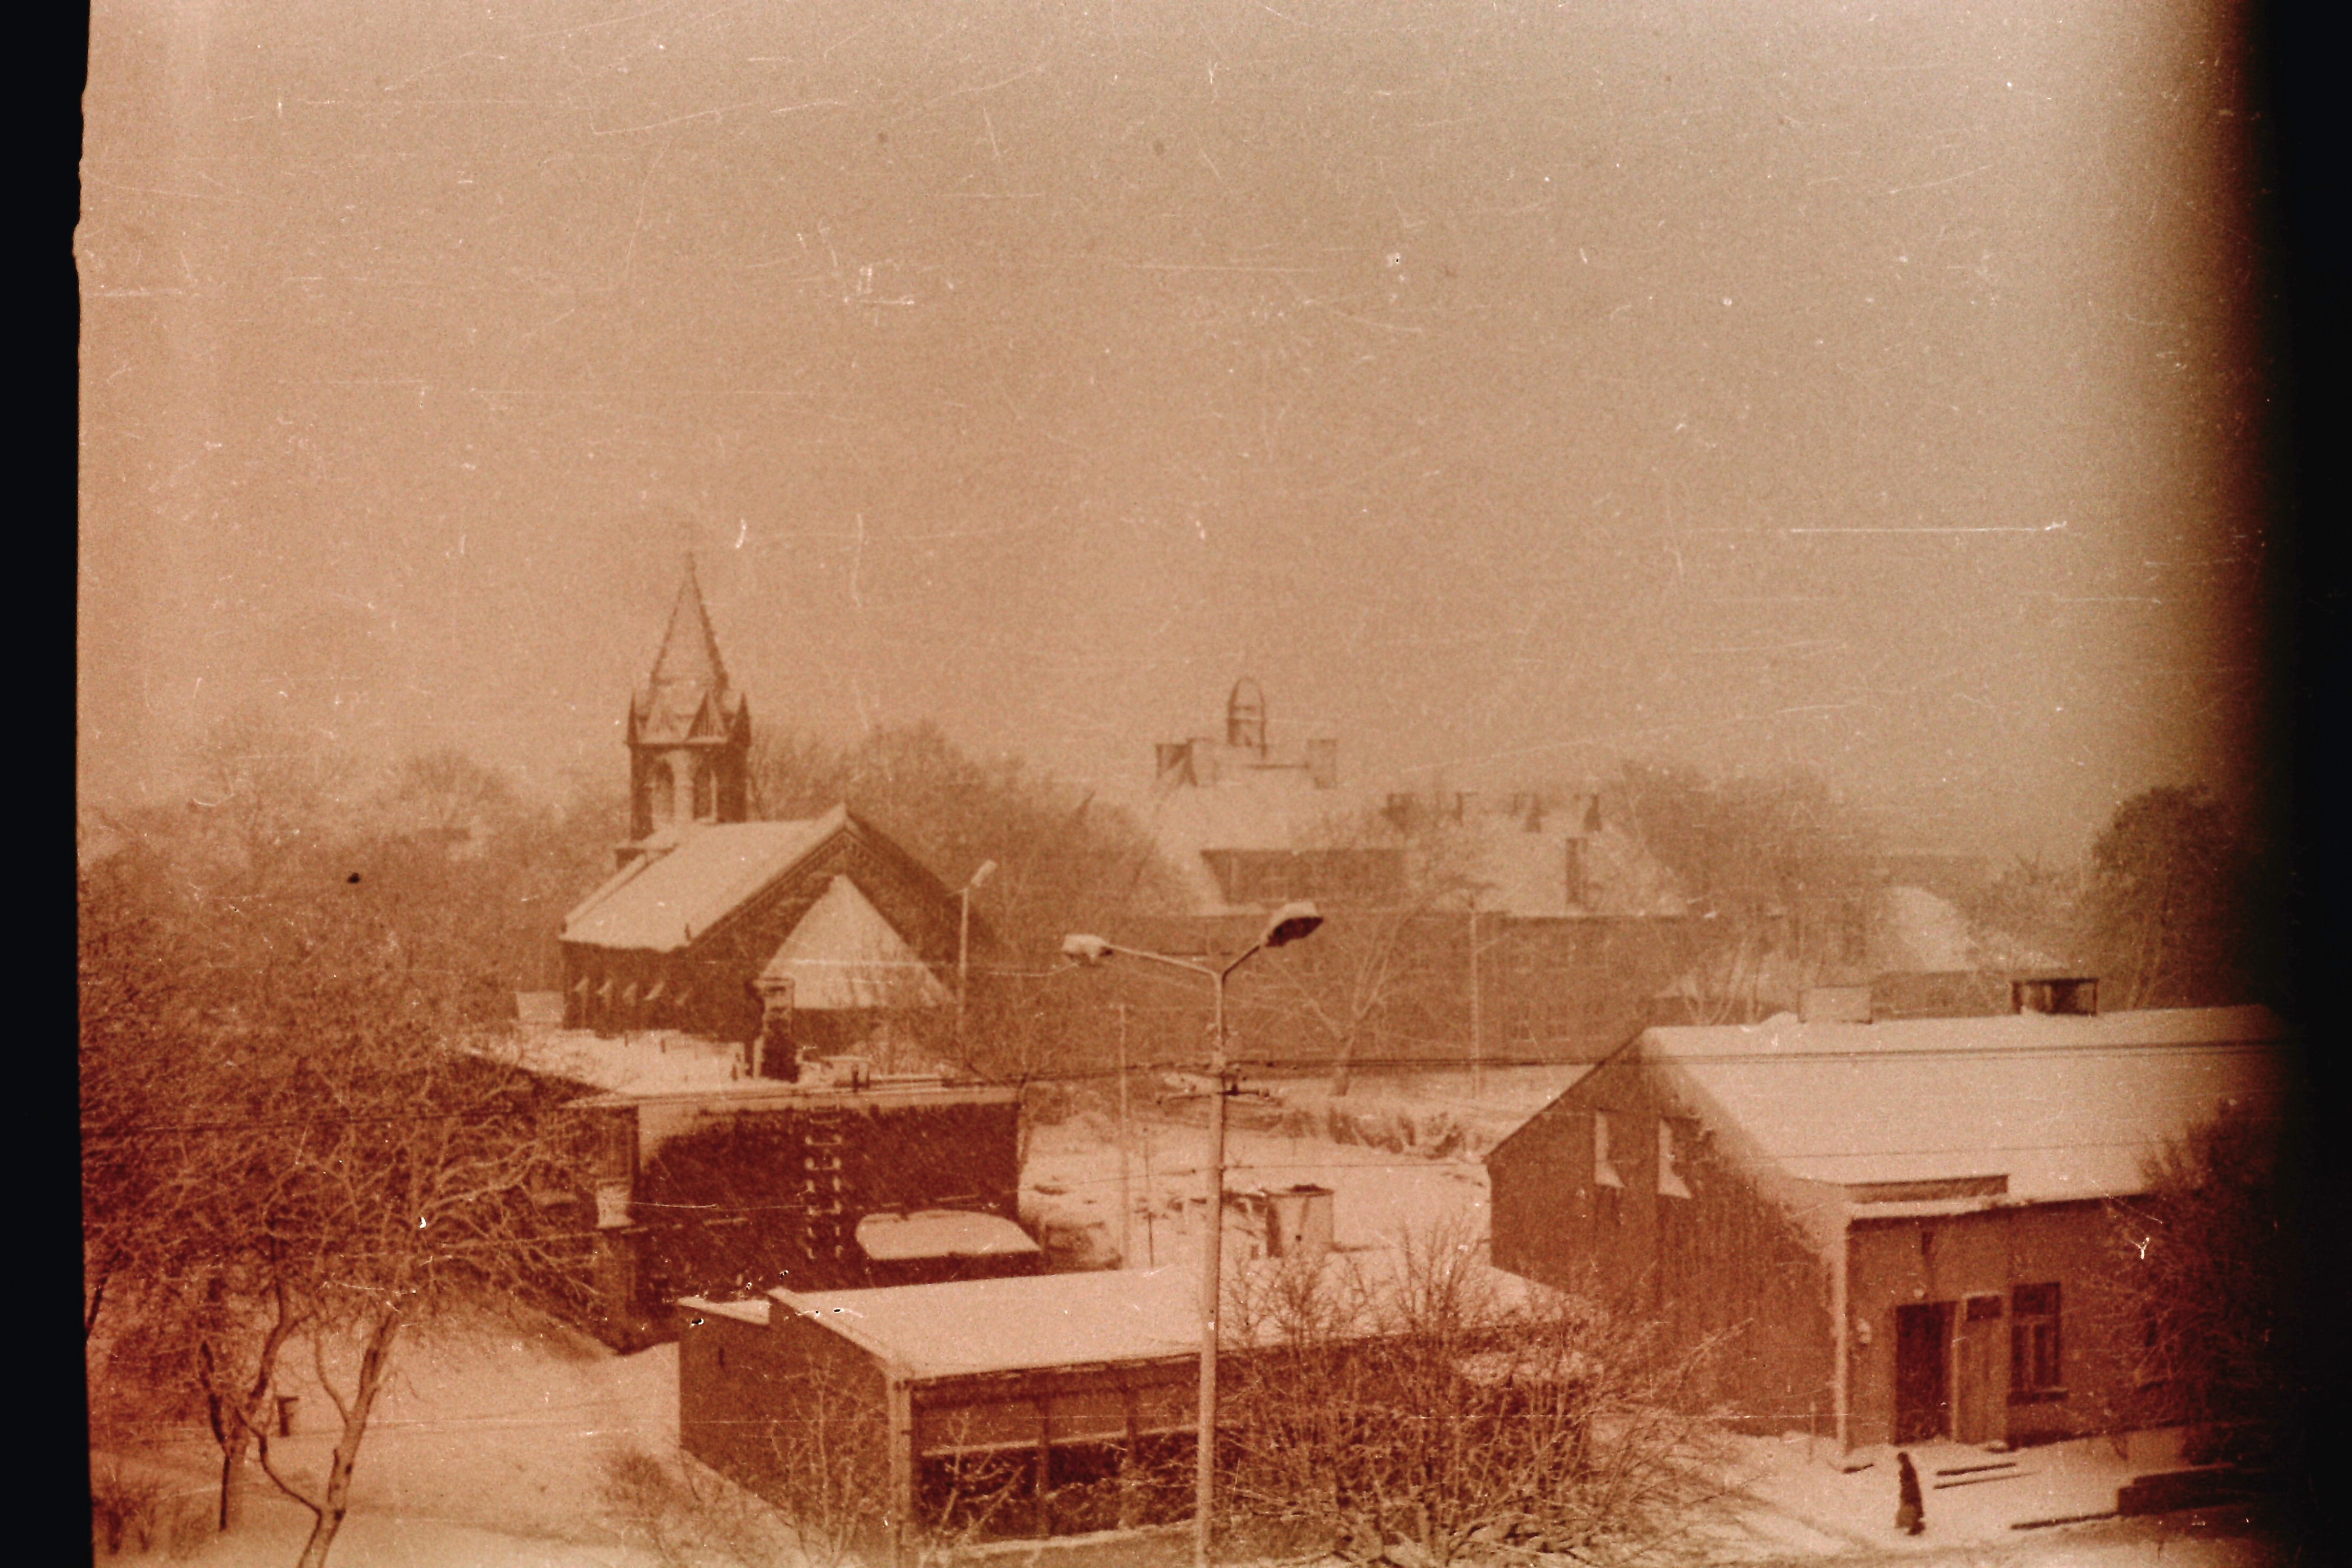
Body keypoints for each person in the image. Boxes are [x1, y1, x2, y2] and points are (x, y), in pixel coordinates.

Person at [1894, 1450, 1925, 1535]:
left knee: (1912, 1509)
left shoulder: (1907, 1468)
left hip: (1911, 1492)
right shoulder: (1907, 1467)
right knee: (1913, 1508)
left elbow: (1909, 1481)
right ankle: (1916, 1526)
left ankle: (1916, 1527)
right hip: (1911, 1491)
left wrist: (1906, 1491)